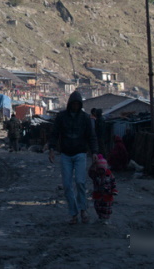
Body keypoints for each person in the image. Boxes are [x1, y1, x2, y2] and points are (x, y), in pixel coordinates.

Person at [48, 91, 98, 225]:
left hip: (80, 154)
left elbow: (91, 136)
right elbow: (54, 134)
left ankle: (83, 210)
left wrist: (94, 152)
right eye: (73, 104)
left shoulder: (85, 118)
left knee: (81, 182)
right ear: (70, 104)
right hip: (65, 154)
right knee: (67, 185)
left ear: (80, 104)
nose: (75, 106)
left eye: (77, 104)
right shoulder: (61, 117)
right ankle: (73, 213)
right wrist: (51, 149)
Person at [88, 154, 117, 224]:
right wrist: (93, 164)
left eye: (102, 169)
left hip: (107, 196)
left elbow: (113, 183)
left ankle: (106, 219)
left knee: (107, 209)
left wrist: (114, 191)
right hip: (98, 196)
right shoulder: (95, 175)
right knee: (98, 207)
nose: (100, 171)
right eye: (99, 169)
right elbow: (90, 173)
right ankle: (100, 217)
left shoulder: (110, 175)